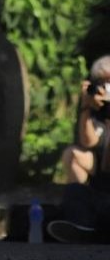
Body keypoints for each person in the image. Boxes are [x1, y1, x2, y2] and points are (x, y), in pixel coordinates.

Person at [47, 55, 110, 244]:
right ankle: (82, 222)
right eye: (103, 82)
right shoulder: (92, 103)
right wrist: (85, 107)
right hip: (100, 165)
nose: (107, 88)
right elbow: (88, 142)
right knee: (72, 159)